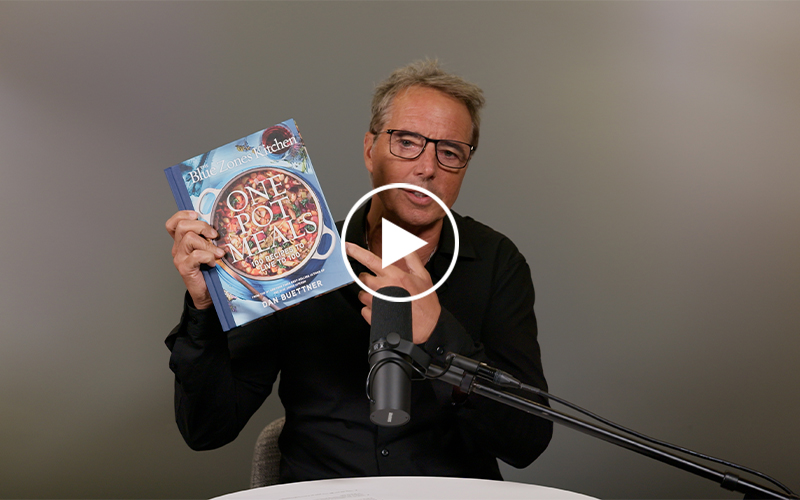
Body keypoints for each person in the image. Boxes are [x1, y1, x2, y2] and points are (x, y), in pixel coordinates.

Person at [165, 59, 553, 483]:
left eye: (450, 152)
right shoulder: (296, 254)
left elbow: (527, 441)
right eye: (407, 142)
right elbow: (207, 429)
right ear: (370, 151)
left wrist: (438, 333)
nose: (427, 167)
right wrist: (205, 307)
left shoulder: (497, 261)